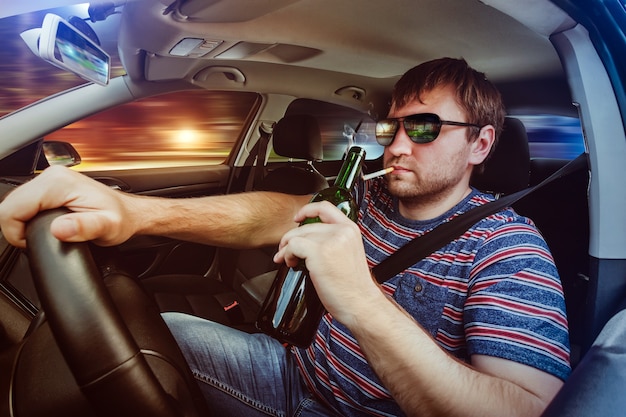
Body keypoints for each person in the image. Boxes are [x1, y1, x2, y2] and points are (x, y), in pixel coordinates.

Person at [0, 57, 570, 417]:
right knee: (147, 336)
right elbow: (274, 214)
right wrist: (133, 212)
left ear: (480, 145)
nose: (396, 145)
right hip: (289, 371)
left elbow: (525, 410)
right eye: (390, 126)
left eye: (423, 128)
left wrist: (363, 302)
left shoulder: (508, 249)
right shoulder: (370, 197)